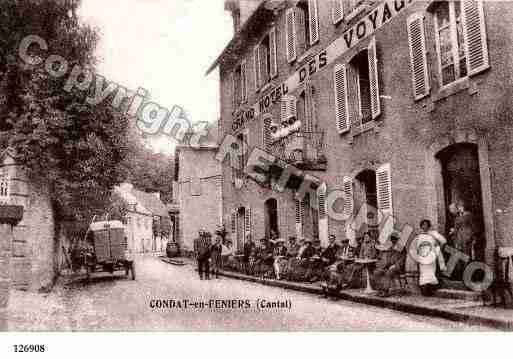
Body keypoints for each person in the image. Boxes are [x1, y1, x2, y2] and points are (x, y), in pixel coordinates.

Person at [414, 219, 447, 296]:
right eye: (423, 225)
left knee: (430, 272)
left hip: (431, 256)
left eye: (426, 225)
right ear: (421, 226)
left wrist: (437, 249)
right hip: (422, 256)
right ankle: (424, 290)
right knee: (423, 273)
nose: (424, 227)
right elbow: (416, 246)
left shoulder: (433, 233)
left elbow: (444, 241)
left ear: (429, 226)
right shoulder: (419, 235)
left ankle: (430, 289)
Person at [373, 231, 406, 297]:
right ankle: (380, 290)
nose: (393, 240)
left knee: (388, 273)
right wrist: (384, 266)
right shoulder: (390, 248)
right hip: (389, 266)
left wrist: (394, 266)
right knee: (376, 272)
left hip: (398, 267)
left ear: (397, 239)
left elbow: (402, 259)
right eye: (392, 239)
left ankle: (385, 291)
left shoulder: (402, 248)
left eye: (395, 239)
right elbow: (387, 258)